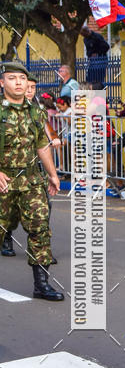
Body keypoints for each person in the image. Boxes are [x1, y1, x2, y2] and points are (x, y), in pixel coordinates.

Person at [0, 62, 64, 299]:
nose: (18, 82)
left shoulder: (35, 112)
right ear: (2, 82)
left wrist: (52, 174)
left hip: (30, 182)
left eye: (22, 78)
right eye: (12, 78)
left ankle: (42, 285)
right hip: (3, 181)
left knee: (40, 228)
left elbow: (41, 145)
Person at [81, 24, 110, 90]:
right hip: (92, 61)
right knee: (90, 78)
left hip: (100, 60)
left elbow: (106, 46)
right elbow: (88, 50)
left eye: (83, 34)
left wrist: (98, 53)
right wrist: (89, 55)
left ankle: (99, 92)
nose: (83, 36)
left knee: (99, 79)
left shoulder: (97, 36)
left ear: (87, 31)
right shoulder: (85, 39)